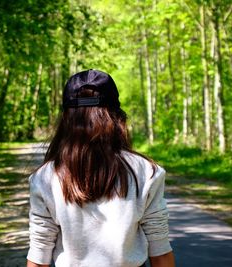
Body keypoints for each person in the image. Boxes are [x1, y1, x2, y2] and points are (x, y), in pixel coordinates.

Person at [26, 69, 175, 267]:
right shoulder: (147, 172)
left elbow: (39, 254)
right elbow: (160, 252)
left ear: (66, 118)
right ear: (117, 117)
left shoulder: (45, 177)